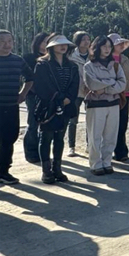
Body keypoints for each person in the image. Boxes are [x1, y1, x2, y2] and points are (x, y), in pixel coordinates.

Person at [33, 34, 80, 184]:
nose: (63, 46)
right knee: (46, 138)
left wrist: (68, 98)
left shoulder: (72, 65)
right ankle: (46, 171)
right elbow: (41, 85)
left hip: (66, 106)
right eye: (59, 44)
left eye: (65, 44)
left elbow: (75, 85)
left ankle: (57, 169)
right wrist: (58, 98)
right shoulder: (42, 64)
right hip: (48, 106)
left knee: (59, 138)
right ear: (51, 47)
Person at [83, 36, 126, 175]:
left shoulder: (116, 65)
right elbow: (93, 84)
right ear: (97, 47)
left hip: (113, 103)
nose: (107, 49)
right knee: (95, 136)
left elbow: (122, 84)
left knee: (110, 135)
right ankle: (95, 164)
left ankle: (107, 162)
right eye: (104, 46)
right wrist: (112, 82)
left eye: (109, 46)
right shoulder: (89, 66)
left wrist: (105, 87)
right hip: (96, 105)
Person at [0, 29, 34, 184]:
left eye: (9, 41)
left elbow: (30, 77)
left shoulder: (17, 60)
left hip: (11, 106)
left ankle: (4, 171)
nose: (7, 45)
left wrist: (23, 94)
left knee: (9, 139)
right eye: (2, 41)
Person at [109, 33, 129, 162]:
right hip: (110, 95)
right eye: (118, 43)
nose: (121, 46)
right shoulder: (105, 59)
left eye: (122, 43)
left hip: (125, 95)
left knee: (122, 124)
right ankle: (109, 151)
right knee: (111, 125)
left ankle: (121, 152)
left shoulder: (125, 59)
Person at [21, 31, 48, 163]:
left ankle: (43, 151)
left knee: (46, 125)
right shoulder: (28, 57)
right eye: (44, 41)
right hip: (33, 95)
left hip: (49, 95)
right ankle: (31, 152)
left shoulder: (52, 58)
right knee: (33, 123)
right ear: (37, 42)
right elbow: (27, 77)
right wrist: (35, 91)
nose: (46, 44)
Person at [67, 31, 91, 157]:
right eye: (83, 39)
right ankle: (71, 146)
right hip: (75, 92)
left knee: (90, 120)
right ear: (77, 41)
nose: (86, 42)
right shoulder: (71, 55)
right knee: (72, 120)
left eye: (88, 39)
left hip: (90, 92)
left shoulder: (93, 55)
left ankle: (89, 145)